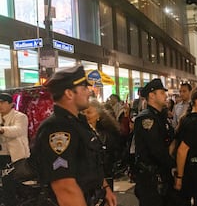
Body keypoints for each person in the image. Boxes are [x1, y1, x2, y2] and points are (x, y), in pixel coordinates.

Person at [33, 65, 117, 206]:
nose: (89, 92)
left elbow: (91, 162)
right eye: (84, 88)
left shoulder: (78, 123)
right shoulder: (57, 129)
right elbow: (65, 187)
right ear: (69, 94)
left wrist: (105, 188)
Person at [133, 78, 178, 206]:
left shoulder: (160, 116)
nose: (166, 96)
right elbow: (156, 150)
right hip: (151, 177)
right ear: (152, 96)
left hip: (161, 174)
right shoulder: (147, 119)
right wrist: (174, 165)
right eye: (162, 93)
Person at [82, 98, 123, 190]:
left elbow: (113, 155)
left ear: (98, 115)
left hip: (104, 178)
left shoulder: (107, 135)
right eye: (83, 113)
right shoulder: (78, 133)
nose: (85, 116)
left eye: (89, 112)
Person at [0, 93, 29, 206]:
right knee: (5, 184)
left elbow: (18, 130)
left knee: (10, 183)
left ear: (11, 104)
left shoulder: (20, 117)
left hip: (14, 157)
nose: (0, 105)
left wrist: (2, 130)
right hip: (1, 154)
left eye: (2, 102)